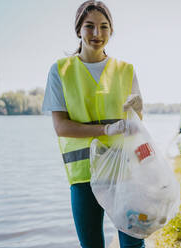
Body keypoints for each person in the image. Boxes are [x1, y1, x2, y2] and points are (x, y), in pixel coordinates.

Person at [42, 1, 145, 247]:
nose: (97, 34)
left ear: (111, 31)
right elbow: (61, 126)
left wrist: (139, 111)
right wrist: (106, 130)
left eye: (104, 27)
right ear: (78, 30)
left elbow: (136, 124)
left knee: (133, 243)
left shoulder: (126, 69)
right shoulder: (60, 70)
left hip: (123, 170)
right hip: (83, 175)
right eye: (89, 26)